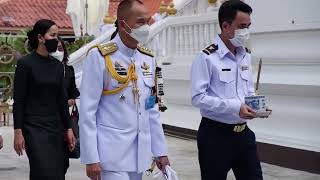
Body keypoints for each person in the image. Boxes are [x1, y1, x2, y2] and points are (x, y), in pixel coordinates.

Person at [79, 0, 170, 180]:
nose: (146, 27)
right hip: (110, 155)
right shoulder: (99, 57)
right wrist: (91, 158)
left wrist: (160, 151)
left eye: (147, 21)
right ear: (123, 24)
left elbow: (151, 108)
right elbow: (88, 112)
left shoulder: (147, 58)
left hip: (139, 155)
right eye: (140, 22)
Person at [191, 1, 266, 180]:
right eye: (241, 27)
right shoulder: (206, 57)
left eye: (248, 26)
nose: (246, 32)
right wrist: (235, 107)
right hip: (215, 136)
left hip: (244, 135)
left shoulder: (245, 55)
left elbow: (247, 90)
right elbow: (198, 98)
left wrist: (256, 105)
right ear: (225, 26)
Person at [13, 19, 76, 180]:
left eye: (58, 35)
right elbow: (19, 100)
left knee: (59, 169)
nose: (57, 39)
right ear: (40, 38)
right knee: (42, 171)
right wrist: (18, 132)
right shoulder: (25, 64)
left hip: (55, 127)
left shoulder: (56, 66)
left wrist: (68, 128)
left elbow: (62, 99)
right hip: (33, 128)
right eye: (53, 35)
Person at [50, 38, 81, 174]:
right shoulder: (42, 68)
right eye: (55, 48)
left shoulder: (68, 69)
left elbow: (73, 92)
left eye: (61, 49)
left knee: (63, 161)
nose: (58, 51)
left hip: (63, 119)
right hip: (45, 118)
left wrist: (70, 100)